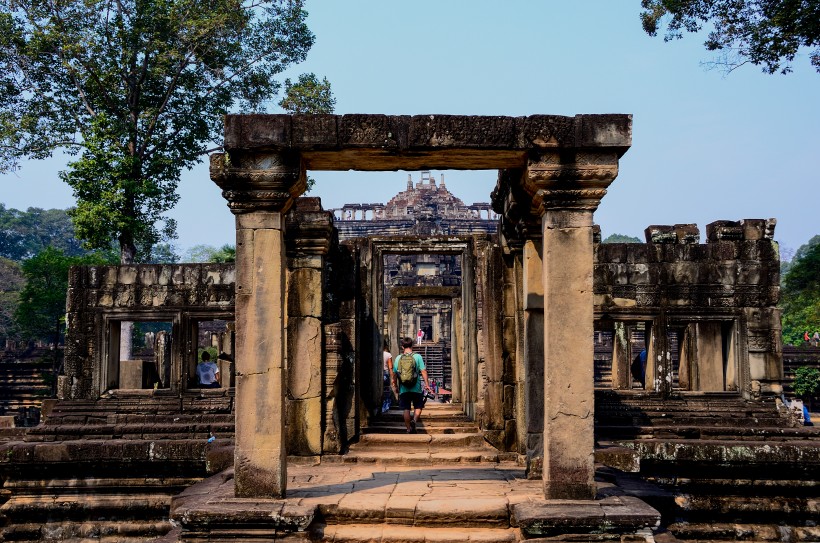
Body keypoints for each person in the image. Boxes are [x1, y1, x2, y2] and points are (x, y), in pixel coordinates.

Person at [391, 336, 430, 433]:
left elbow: (395, 374)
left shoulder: (398, 358)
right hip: (416, 388)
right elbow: (423, 371)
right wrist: (427, 384)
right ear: (412, 345)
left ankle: (408, 429)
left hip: (404, 388)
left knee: (406, 409)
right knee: (418, 406)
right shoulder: (417, 356)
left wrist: (395, 386)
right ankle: (415, 420)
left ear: (402, 347)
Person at [382, 341, 393, 413]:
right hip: (385, 373)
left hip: (378, 373)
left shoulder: (377, 353)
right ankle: (385, 408)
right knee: (386, 391)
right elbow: (390, 367)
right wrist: (392, 378)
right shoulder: (388, 354)